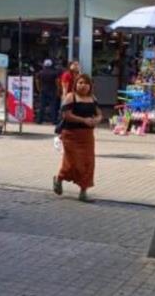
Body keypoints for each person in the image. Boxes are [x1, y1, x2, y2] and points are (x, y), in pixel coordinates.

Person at [52, 74, 102, 202]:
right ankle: (59, 178)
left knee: (88, 163)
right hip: (71, 135)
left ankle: (83, 191)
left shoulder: (92, 98)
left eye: (86, 83)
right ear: (75, 84)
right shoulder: (71, 97)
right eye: (80, 82)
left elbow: (99, 114)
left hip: (87, 136)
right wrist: (83, 120)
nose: (83, 85)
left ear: (90, 85)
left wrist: (95, 120)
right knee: (73, 162)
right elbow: (66, 115)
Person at [36, 59, 61, 124]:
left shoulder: (40, 72)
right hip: (52, 91)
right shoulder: (55, 73)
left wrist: (39, 88)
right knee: (53, 106)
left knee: (42, 106)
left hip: (43, 90)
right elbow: (57, 82)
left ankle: (39, 120)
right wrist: (58, 90)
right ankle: (54, 120)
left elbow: (37, 81)